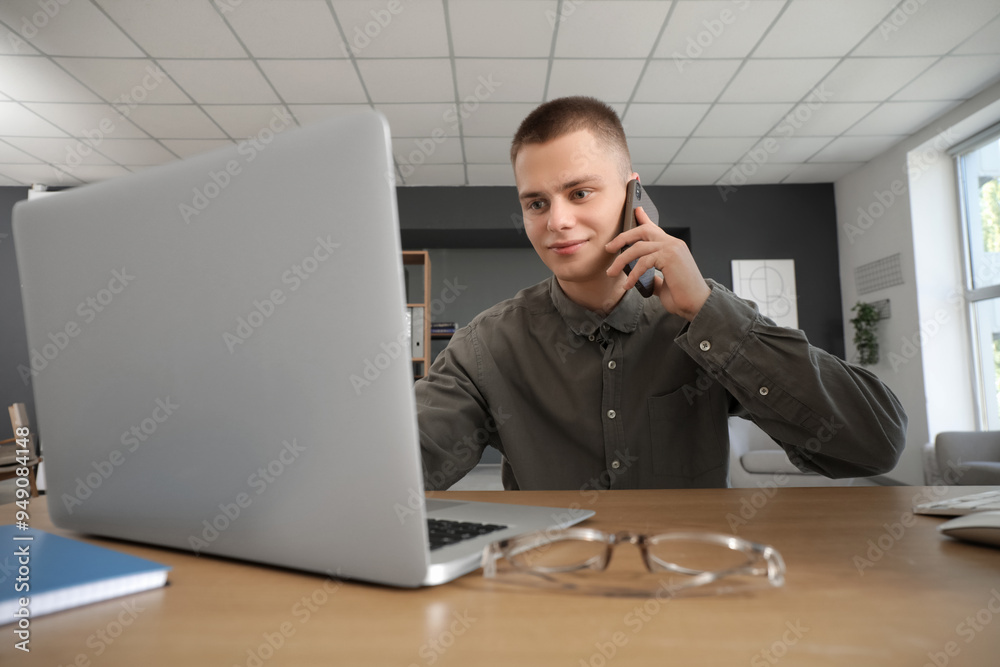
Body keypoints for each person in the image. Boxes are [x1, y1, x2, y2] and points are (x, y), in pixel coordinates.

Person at [415, 96, 906, 491]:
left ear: (632, 195)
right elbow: (405, 469)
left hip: (692, 586)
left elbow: (875, 445)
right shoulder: (485, 348)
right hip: (552, 594)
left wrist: (709, 314)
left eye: (580, 193)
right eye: (536, 202)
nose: (557, 221)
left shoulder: (706, 318)